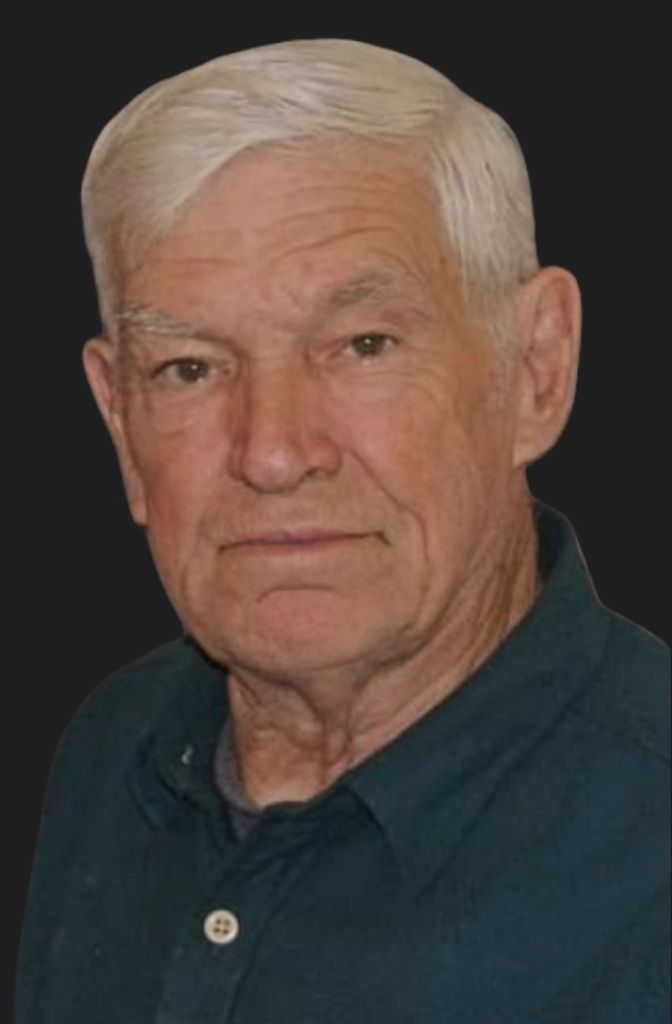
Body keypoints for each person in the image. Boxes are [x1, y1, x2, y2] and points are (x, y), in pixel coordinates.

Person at [16, 38, 669, 1023]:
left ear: (535, 369)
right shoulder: (116, 752)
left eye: (363, 345)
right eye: (190, 368)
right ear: (120, 423)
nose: (274, 452)